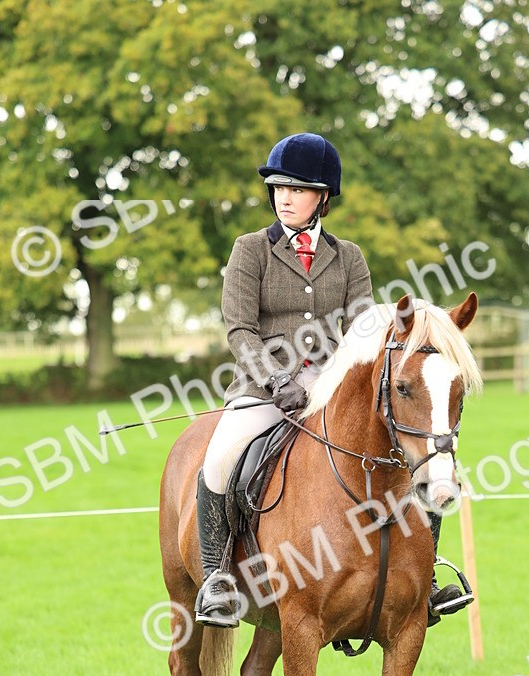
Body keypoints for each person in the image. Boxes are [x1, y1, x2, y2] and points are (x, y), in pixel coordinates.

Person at [194, 132, 461, 628]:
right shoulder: (250, 250)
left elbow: (361, 330)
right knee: (221, 456)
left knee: (418, 460)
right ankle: (215, 578)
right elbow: (239, 329)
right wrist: (276, 379)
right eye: (278, 188)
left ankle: (424, 581)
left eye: (296, 189)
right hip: (262, 391)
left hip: (333, 393)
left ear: (323, 197)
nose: (284, 197)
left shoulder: (348, 256)